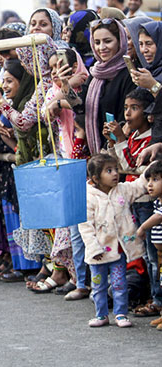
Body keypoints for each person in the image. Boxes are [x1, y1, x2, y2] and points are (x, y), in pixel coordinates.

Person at [79, 154, 148, 327]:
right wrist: (94, 248)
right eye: (109, 171)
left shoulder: (122, 190)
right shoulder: (88, 197)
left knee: (119, 284)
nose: (115, 173)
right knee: (98, 286)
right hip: (98, 255)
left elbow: (139, 185)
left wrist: (151, 168)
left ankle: (121, 314)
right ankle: (101, 314)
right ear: (95, 178)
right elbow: (86, 226)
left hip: (118, 251)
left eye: (116, 169)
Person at [85, 18, 135, 154]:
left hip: (121, 149)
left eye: (107, 41)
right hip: (98, 149)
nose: (101, 48)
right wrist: (66, 85)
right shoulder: (95, 73)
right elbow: (80, 106)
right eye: (97, 42)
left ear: (120, 42)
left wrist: (112, 143)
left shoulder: (129, 75)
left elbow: (128, 118)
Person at [137, 161, 162, 330]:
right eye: (149, 180)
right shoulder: (157, 202)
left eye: (155, 179)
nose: (150, 184)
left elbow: (159, 217)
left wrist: (143, 227)